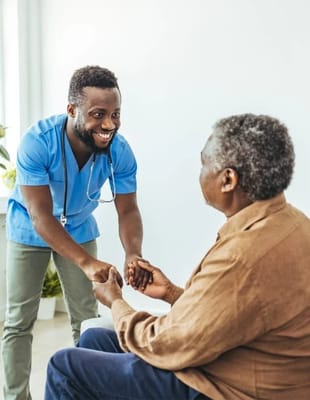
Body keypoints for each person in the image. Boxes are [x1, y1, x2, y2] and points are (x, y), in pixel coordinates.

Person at [45, 114, 310, 400]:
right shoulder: (292, 224)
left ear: (228, 179)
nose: (200, 173)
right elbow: (234, 311)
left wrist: (116, 302)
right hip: (234, 361)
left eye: (204, 164)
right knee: (94, 339)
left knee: (64, 366)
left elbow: (166, 344)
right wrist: (171, 293)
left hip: (223, 387)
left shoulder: (242, 255)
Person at [1, 65, 151, 400]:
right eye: (98, 114)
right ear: (72, 110)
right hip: (30, 228)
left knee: (86, 317)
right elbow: (41, 216)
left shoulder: (120, 150)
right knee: (18, 321)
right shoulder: (37, 142)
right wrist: (85, 263)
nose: (109, 124)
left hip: (79, 225)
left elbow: (128, 209)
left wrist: (133, 253)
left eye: (115, 114)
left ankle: (86, 392)